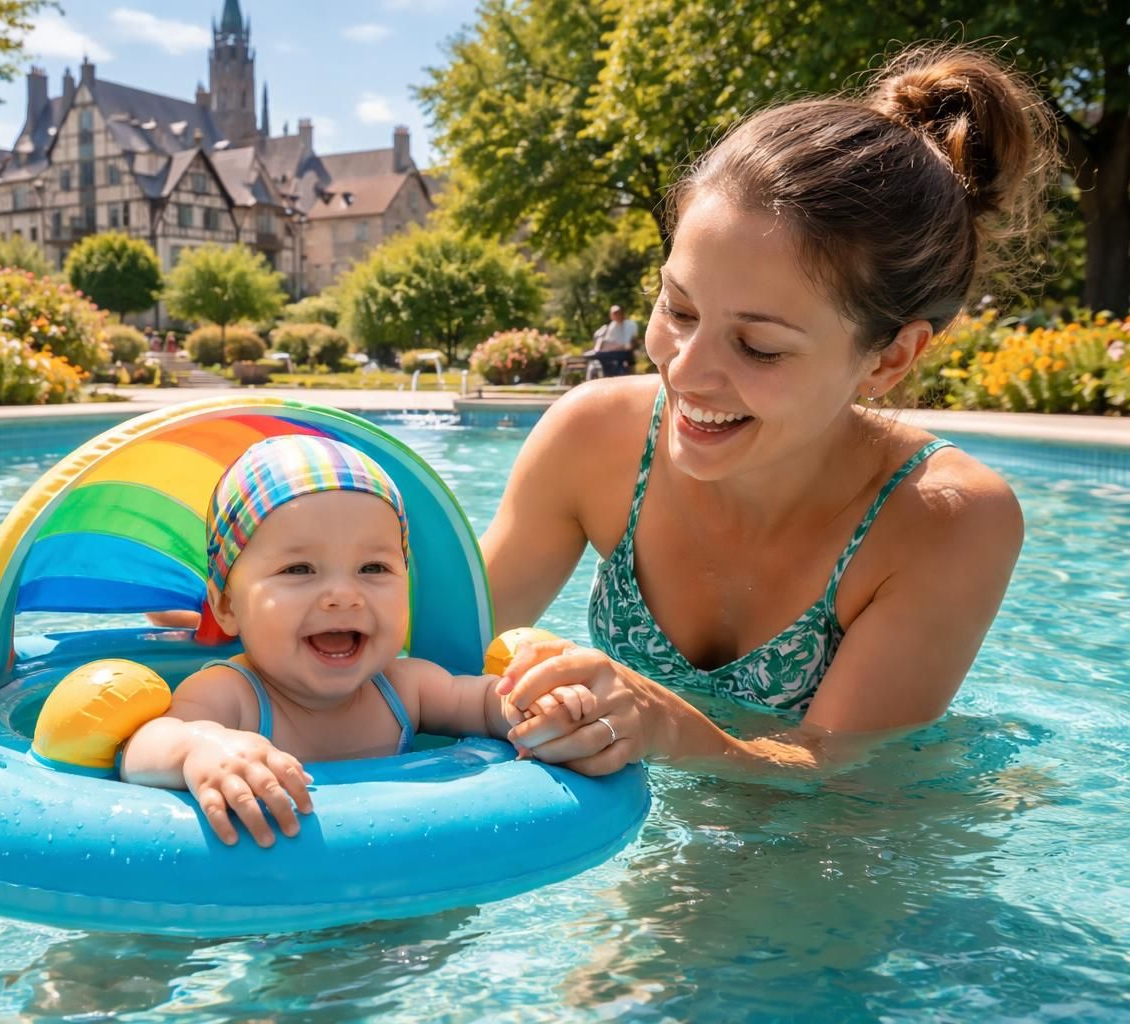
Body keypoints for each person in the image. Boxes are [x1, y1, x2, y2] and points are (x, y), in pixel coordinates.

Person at [481, 44, 1056, 780]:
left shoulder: (945, 519)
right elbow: (437, 650)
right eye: (679, 308)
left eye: (758, 347)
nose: (686, 371)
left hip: (854, 853)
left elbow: (833, 781)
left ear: (889, 360)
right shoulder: (592, 439)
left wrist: (657, 720)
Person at [121, 435, 591, 846]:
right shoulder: (232, 694)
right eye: (298, 569)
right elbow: (145, 747)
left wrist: (536, 705)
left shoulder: (407, 687)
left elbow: (490, 702)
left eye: (374, 568)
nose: (343, 595)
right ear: (226, 606)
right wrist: (202, 749)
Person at [585, 305, 638, 379]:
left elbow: (631, 341)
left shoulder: (630, 324)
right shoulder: (612, 326)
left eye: (618, 313)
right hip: (614, 352)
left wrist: (621, 346)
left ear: (622, 313)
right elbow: (609, 341)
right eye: (614, 313)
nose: (617, 315)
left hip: (626, 352)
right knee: (601, 358)